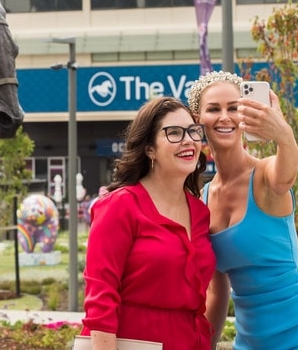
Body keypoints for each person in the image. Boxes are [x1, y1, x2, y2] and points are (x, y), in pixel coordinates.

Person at [188, 70, 298, 349]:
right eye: (213, 109)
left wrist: (283, 134)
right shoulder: (203, 198)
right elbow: (216, 293)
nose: (224, 117)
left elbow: (287, 175)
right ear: (198, 119)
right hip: (250, 342)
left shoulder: (267, 174)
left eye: (234, 107)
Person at [80, 96, 215, 349]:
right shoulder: (119, 206)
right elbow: (100, 301)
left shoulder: (200, 212)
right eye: (173, 133)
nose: (188, 140)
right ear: (149, 148)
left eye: (193, 131)